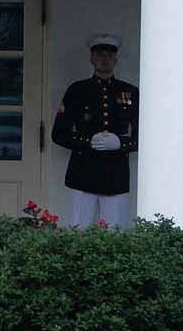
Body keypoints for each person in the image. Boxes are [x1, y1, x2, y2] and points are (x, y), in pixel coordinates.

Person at [51, 31, 138, 228]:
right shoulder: (77, 90)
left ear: (116, 59)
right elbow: (58, 133)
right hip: (82, 172)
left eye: (109, 55)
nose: (105, 59)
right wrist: (87, 141)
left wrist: (122, 143)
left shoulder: (130, 92)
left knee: (115, 234)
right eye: (100, 54)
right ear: (92, 59)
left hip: (116, 173)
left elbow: (146, 136)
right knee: (77, 231)